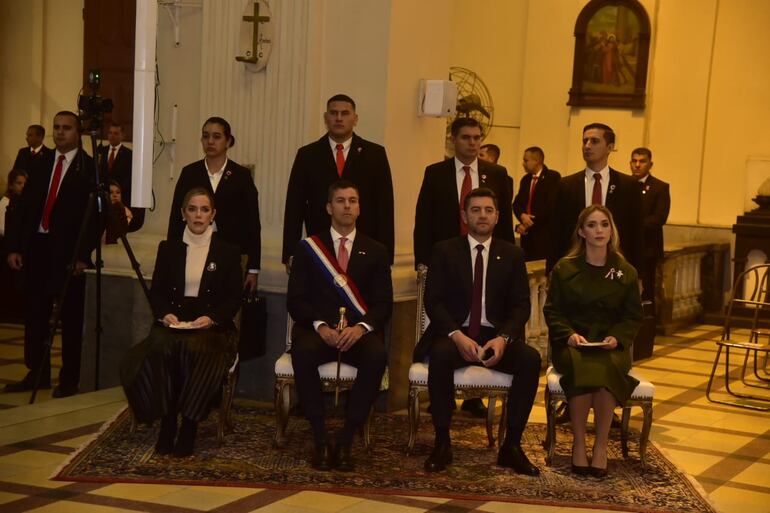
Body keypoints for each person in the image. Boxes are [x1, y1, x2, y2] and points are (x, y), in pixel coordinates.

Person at [415, 187, 541, 475]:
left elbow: (521, 306)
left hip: (495, 335)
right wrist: (456, 336)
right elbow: (433, 301)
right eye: (475, 210)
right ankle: (442, 442)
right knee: (441, 355)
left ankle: (512, 446)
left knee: (530, 359)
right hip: (454, 333)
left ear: (497, 216)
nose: (482, 215)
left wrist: (504, 338)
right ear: (464, 215)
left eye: (488, 210)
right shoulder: (444, 250)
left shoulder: (512, 254)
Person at [121, 188, 241, 457]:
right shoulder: (169, 248)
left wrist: (212, 318)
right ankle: (166, 424)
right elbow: (158, 292)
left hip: (212, 326)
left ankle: (188, 426)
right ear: (183, 213)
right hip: (174, 322)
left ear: (213, 215)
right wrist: (165, 314)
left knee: (199, 352)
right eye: (192, 209)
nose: (198, 215)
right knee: (159, 350)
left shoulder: (227, 252)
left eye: (204, 210)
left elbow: (234, 298)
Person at [287, 180, 392, 472]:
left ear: (359, 208)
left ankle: (346, 439)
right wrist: (321, 326)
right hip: (318, 331)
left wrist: (361, 329)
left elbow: (384, 304)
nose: (347, 206)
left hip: (357, 333)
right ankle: (320, 437)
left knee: (376, 355)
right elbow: (295, 300)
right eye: (341, 200)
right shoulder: (309, 248)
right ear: (328, 207)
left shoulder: (377, 250)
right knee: (303, 351)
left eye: (353, 201)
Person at [543, 205, 643, 478]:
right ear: (581, 232)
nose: (599, 230)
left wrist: (618, 337)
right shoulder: (565, 268)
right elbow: (553, 310)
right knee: (583, 365)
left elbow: (633, 316)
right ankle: (578, 442)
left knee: (605, 367)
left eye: (604, 224)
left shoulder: (626, 271)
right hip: (573, 343)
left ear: (612, 231)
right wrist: (568, 334)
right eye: (591, 225)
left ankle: (600, 446)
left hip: (612, 346)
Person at [4, 111, 96, 397]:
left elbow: (94, 217)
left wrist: (82, 255)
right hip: (37, 247)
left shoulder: (88, 167)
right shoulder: (41, 162)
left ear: (78, 131)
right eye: (56, 128)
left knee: (69, 318)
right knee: (35, 313)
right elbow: (23, 207)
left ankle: (69, 378)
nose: (59, 133)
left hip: (68, 253)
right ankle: (38, 372)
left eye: (66, 128)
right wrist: (15, 247)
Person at [283, 94, 394, 268]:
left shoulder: (375, 154)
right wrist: (290, 252)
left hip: (364, 247)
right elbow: (294, 205)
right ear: (326, 118)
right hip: (320, 246)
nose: (339, 118)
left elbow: (384, 207)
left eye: (345, 113)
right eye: (334, 113)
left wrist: (386, 255)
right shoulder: (307, 155)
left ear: (355, 119)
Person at [167, 117, 261, 293]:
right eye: (205, 136)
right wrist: (172, 255)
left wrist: (253, 268)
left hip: (231, 254)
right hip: (192, 250)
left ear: (228, 141)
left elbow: (253, 223)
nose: (210, 141)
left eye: (216, 136)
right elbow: (175, 216)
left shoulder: (241, 176)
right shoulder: (190, 173)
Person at [548, 123, 642, 274]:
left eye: (595, 141)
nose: (587, 146)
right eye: (585, 141)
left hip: (616, 268)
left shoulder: (628, 186)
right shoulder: (566, 185)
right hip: (574, 268)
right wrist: (551, 270)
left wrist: (638, 275)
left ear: (610, 147)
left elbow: (637, 234)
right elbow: (555, 232)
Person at [630, 148, 670, 303]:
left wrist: (633, 225)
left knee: (646, 291)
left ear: (650, 164)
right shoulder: (624, 184)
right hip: (626, 248)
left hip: (647, 249)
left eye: (642, 161)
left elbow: (659, 217)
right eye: (634, 161)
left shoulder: (660, 187)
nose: (637, 165)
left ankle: (647, 324)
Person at [512, 146, 561, 261]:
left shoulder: (553, 177)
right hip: (527, 237)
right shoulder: (525, 179)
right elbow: (517, 203)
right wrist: (522, 216)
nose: (523, 163)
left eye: (526, 160)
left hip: (543, 235)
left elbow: (550, 206)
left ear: (536, 161)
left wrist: (528, 223)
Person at [0, 169, 27, 237]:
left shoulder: (20, 202)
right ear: (11, 185)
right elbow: (2, 230)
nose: (23, 186)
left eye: (25, 184)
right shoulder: (5, 202)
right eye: (19, 183)